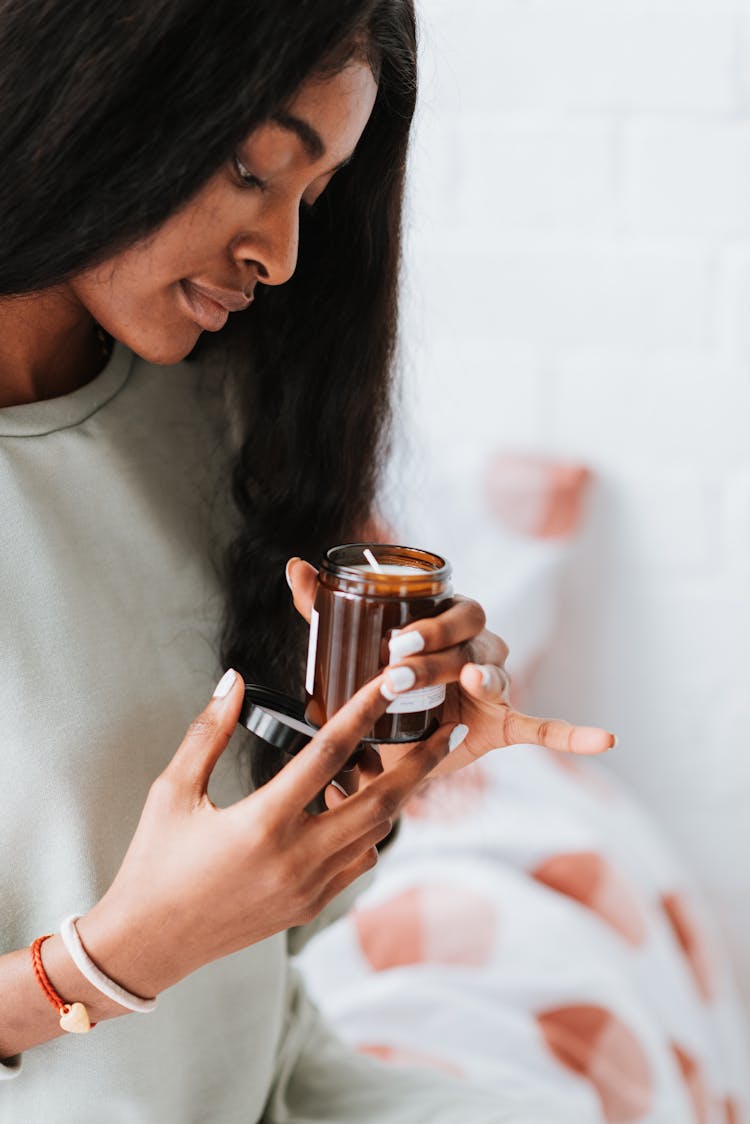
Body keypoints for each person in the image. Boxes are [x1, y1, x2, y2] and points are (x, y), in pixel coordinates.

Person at [0, 2, 615, 1121]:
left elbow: (269, 941)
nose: (280, 256)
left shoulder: (220, 400)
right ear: (89, 94)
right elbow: (165, 941)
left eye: (314, 197)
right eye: (251, 168)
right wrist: (109, 958)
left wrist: (373, 767)